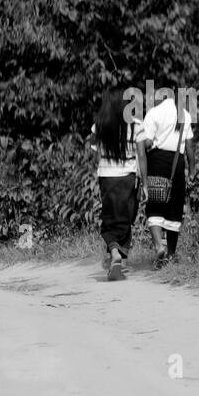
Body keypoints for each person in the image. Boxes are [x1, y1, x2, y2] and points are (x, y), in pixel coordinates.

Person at [88, 87, 144, 281]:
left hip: (107, 176)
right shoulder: (136, 125)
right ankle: (119, 257)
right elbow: (142, 155)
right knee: (127, 216)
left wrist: (101, 167)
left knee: (109, 217)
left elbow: (94, 150)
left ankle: (115, 254)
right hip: (128, 176)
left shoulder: (99, 125)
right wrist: (144, 181)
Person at [141, 85, 195, 269]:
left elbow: (147, 142)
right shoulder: (185, 115)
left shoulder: (154, 113)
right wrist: (192, 171)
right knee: (174, 209)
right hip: (177, 164)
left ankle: (158, 246)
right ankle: (170, 254)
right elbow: (189, 148)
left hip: (156, 162)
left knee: (155, 206)